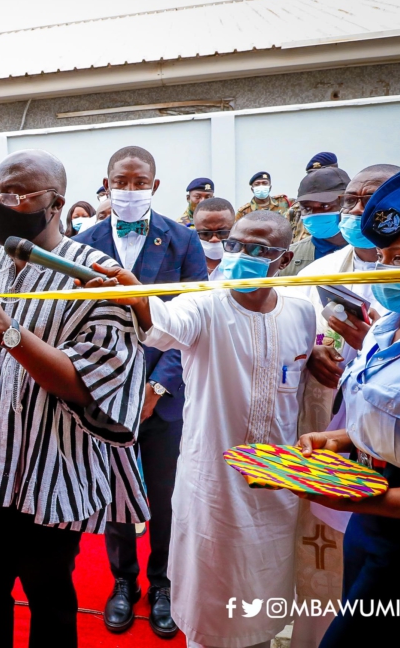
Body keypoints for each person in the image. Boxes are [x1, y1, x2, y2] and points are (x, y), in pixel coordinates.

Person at [0, 149, 149, 648]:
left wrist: (9, 333)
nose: (3, 203)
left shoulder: (97, 275)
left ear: (55, 203)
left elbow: (90, 383)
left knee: (52, 602)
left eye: (19, 193)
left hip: (47, 469)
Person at [91, 210, 316, 648]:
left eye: (257, 250)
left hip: (276, 490)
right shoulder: (204, 303)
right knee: (208, 615)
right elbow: (165, 321)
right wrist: (138, 297)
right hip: (212, 489)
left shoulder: (303, 314)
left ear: (285, 259)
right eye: (233, 245)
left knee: (260, 612)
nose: (238, 256)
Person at [297, 163, 400, 648]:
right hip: (372, 517)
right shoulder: (386, 326)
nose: (384, 270)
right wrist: (343, 438)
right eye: (384, 256)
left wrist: (365, 498)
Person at [74, 145, 206, 639]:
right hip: (107, 394)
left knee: (168, 496)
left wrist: (157, 384)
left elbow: (194, 319)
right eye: (120, 181)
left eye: (138, 181)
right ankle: (123, 581)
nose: (129, 190)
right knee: (117, 495)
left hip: (164, 394)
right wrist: (108, 386)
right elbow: (78, 323)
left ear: (154, 184)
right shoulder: (84, 240)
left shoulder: (182, 241)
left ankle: (165, 582)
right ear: (106, 185)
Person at [284, 164, 400, 648]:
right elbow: (288, 335)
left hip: (392, 453)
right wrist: (311, 353)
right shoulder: (316, 274)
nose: (355, 212)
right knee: (319, 564)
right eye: (349, 201)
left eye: (367, 201)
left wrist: (371, 342)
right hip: (325, 432)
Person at [279, 167, 350, 277]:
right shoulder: (289, 259)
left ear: (348, 203)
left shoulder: (372, 253)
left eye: (325, 206)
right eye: (307, 208)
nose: (315, 214)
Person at [289, 153, 340, 239]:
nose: (316, 178)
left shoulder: (348, 204)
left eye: (324, 174)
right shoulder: (296, 209)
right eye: (312, 174)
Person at [192, 197, 235, 279]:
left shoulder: (244, 263)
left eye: (222, 233)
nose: (214, 239)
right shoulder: (184, 261)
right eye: (205, 234)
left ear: (234, 229)